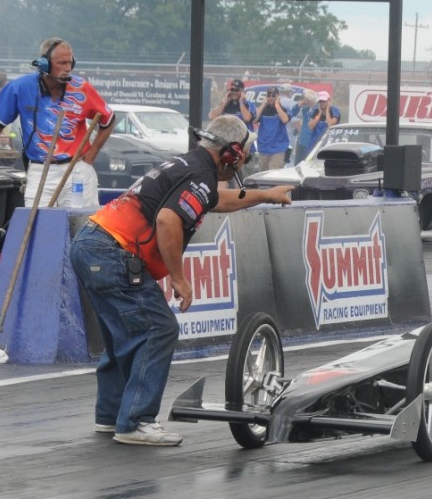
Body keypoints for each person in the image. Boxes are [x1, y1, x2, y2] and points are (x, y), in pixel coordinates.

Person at [69, 115, 293, 446]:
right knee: (158, 329)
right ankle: (135, 421)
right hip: (112, 252)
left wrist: (267, 195)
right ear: (231, 153)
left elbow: (216, 199)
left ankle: (112, 414)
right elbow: (168, 218)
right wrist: (179, 278)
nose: (241, 162)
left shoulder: (190, 165)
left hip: (91, 243)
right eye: (242, 155)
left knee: (123, 335)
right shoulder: (200, 175)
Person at [0, 38, 115, 208]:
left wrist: (92, 153)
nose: (68, 68)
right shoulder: (20, 87)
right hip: (40, 169)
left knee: (81, 227)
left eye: (70, 62)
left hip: (77, 170)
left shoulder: (82, 88)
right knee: (37, 228)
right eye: (62, 63)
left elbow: (108, 119)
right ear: (44, 64)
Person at [253, 86, 290, 171]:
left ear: (278, 96)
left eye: (273, 95)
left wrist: (277, 106)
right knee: (263, 175)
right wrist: (263, 104)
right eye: (268, 95)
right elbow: (254, 120)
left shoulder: (283, 109)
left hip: (278, 149)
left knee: (273, 175)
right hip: (263, 148)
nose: (271, 97)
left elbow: (285, 120)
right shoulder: (262, 109)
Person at [299, 91, 340, 161]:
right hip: (314, 143)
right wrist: (320, 113)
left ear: (329, 101)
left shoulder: (335, 110)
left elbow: (331, 125)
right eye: (320, 101)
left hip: (329, 143)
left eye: (324, 101)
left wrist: (327, 111)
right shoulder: (316, 111)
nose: (322, 103)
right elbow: (310, 126)